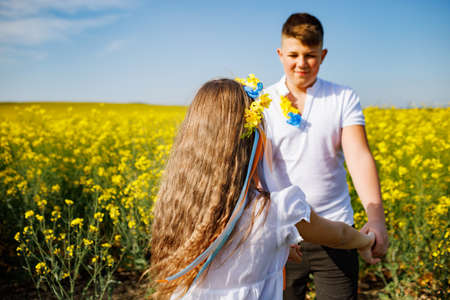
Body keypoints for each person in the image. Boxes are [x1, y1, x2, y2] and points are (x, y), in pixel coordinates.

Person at [149, 76, 377, 300]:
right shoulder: (277, 211)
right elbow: (339, 235)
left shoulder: (177, 207)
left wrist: (277, 250)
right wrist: (367, 241)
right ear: (253, 139)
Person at [262, 13, 389, 300]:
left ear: (324, 54)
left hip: (336, 229)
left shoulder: (342, 97)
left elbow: (358, 156)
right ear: (280, 54)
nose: (301, 63)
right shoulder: (263, 102)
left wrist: (376, 219)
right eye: (293, 54)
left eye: (310, 55)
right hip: (281, 236)